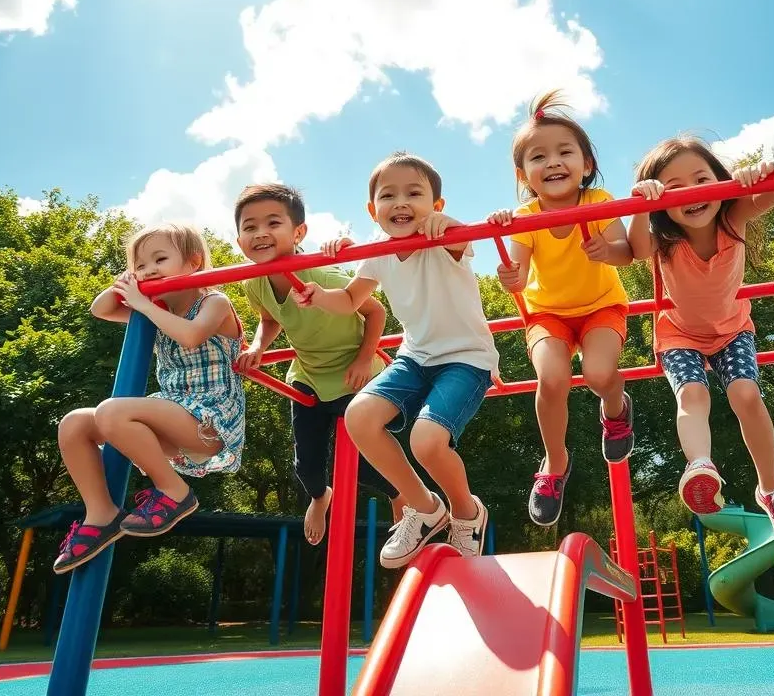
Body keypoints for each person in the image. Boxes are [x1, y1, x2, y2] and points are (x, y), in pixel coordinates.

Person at [301, 152, 499, 569]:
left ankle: (466, 512)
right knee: (359, 417)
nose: (401, 203)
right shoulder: (376, 252)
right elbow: (352, 300)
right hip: (415, 356)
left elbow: (466, 239)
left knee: (427, 440)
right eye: (388, 196)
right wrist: (318, 295)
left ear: (436, 205)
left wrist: (449, 227)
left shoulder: (445, 238)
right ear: (373, 211)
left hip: (466, 358)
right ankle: (425, 507)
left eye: (414, 193)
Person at [628, 137, 774, 538]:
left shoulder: (734, 216)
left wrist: (762, 173)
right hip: (680, 333)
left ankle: (771, 489)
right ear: (662, 203)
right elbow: (637, 249)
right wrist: (641, 205)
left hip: (731, 330)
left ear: (719, 181)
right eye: (672, 188)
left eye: (701, 179)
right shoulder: (665, 237)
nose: (692, 193)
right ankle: (699, 465)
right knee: (693, 395)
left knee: (746, 394)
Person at [54, 224, 245, 573]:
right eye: (140, 265)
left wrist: (142, 302)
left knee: (111, 412)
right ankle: (100, 514)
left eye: (160, 259)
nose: (149, 270)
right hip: (170, 416)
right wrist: (129, 285)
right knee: (75, 424)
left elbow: (190, 336)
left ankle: (173, 491)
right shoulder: (151, 310)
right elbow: (101, 308)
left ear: (194, 262)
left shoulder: (214, 302)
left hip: (210, 420)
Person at [489, 91, 635, 529]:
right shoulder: (526, 215)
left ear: (586, 164)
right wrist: (511, 278)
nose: (552, 162)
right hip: (546, 314)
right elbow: (518, 269)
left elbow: (628, 252)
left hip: (600, 307)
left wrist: (606, 250)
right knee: (551, 380)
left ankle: (616, 408)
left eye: (564, 152)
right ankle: (555, 463)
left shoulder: (599, 201)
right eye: (539, 156)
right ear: (524, 174)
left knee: (597, 375)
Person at [233, 182, 403, 545]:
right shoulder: (254, 283)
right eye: (249, 227)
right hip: (308, 373)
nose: (260, 233)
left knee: (361, 460)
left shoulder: (322, 274)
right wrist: (259, 347)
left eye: (273, 223)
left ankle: (400, 492)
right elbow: (270, 318)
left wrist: (363, 360)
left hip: (352, 371)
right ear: (238, 240)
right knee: (306, 466)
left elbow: (375, 312)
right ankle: (318, 497)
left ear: (298, 233)